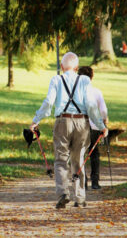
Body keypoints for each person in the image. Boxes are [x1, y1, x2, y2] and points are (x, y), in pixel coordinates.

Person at [29, 52, 108, 209]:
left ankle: (63, 193)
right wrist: (101, 126)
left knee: (60, 159)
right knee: (78, 159)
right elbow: (91, 106)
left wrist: (36, 120)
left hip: (62, 122)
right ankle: (80, 198)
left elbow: (49, 102)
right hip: (81, 122)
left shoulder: (56, 79)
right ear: (77, 68)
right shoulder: (85, 80)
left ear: (62, 67)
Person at [78, 66, 108, 190]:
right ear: (92, 77)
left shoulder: (76, 93)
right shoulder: (96, 92)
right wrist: (104, 124)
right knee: (94, 153)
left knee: (80, 153)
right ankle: (95, 182)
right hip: (95, 127)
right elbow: (103, 111)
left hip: (80, 126)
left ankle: (83, 182)